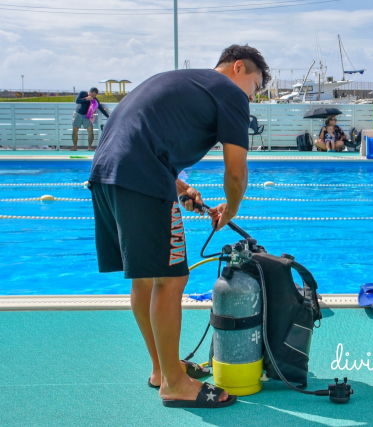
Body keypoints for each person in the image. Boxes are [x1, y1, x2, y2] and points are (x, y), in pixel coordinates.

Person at [88, 44, 270, 408]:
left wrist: (179, 187)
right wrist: (231, 208)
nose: (253, 97)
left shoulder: (182, 81)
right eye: (256, 87)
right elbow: (235, 170)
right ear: (238, 69)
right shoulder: (231, 93)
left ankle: (162, 369)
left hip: (106, 174)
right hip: (140, 177)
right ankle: (174, 383)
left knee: (145, 277)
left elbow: (138, 136)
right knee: (171, 279)